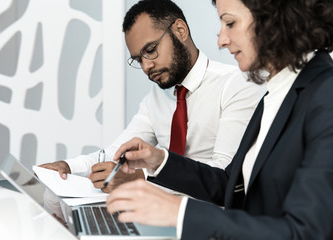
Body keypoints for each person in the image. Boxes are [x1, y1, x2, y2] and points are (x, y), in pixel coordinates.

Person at [106, 0, 333, 239]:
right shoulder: (276, 92)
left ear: (276, 16)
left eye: (231, 23)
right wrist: (159, 160)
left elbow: (307, 232)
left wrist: (179, 212)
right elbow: (229, 185)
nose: (221, 40)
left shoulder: (325, 95)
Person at [40, 0, 265, 193]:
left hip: (210, 220)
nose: (147, 66)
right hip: (159, 214)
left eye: (151, 50)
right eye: (138, 60)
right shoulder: (156, 99)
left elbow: (223, 175)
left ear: (180, 31)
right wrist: (67, 167)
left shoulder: (236, 84)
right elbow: (116, 153)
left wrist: (143, 179)